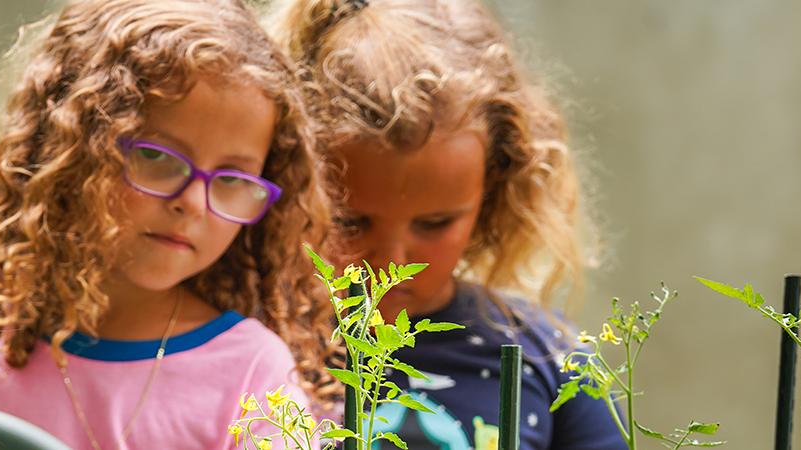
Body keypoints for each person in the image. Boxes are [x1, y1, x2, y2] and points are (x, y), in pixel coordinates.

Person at [0, 0, 340, 448]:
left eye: (233, 178)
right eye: (156, 156)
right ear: (71, 149)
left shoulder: (256, 376)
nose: (193, 203)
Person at [267, 0, 626, 448]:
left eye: (434, 223)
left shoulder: (551, 361)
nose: (391, 261)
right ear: (287, 177)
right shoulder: (249, 346)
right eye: (350, 221)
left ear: (493, 192)